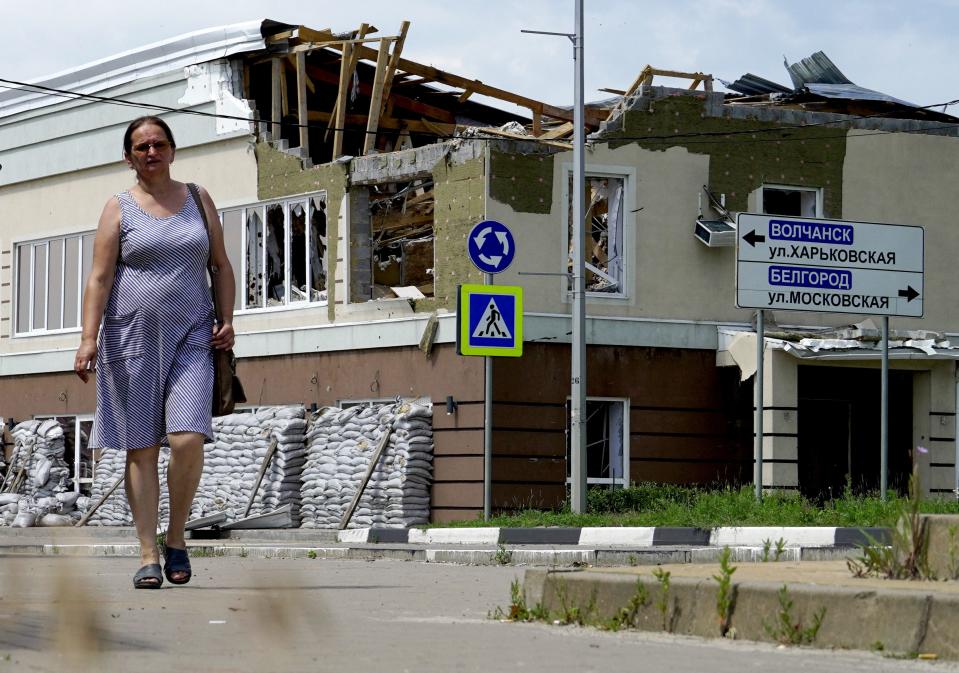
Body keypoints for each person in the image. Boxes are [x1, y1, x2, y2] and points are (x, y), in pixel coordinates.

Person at [74, 116, 236, 589]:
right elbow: (99, 278)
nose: (151, 152)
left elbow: (221, 265)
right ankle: (147, 552)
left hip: (192, 336)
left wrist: (227, 319)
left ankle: (177, 536)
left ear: (172, 150)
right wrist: (88, 338)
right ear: (129, 157)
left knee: (187, 438)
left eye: (159, 144)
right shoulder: (118, 207)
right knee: (141, 449)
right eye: (141, 146)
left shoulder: (199, 200)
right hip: (131, 340)